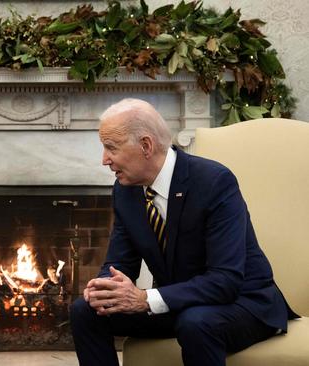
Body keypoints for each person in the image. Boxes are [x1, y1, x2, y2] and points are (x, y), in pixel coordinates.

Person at [70, 98, 297, 366]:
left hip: (243, 302)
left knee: (196, 323)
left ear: (146, 145)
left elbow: (225, 280)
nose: (104, 160)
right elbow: (119, 263)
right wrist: (104, 289)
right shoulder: (126, 190)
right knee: (85, 311)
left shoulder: (214, 182)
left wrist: (145, 299)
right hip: (179, 303)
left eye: (111, 148)